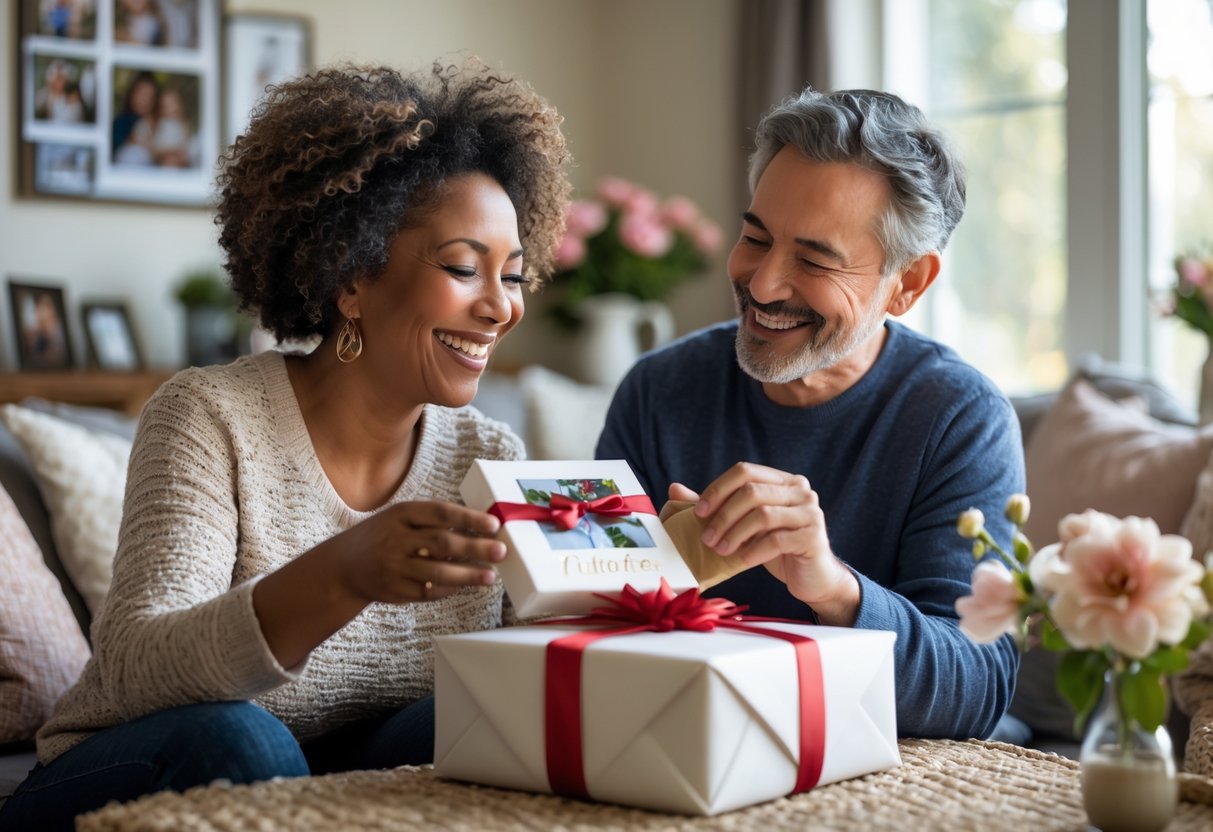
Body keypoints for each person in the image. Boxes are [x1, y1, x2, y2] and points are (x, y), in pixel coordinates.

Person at [0, 59, 570, 830]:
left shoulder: (491, 454)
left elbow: (535, 674)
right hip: (145, 767)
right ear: (351, 280)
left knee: (485, 720)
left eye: (515, 276)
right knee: (242, 740)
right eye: (464, 269)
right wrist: (344, 573)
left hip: (340, 789)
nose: (500, 307)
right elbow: (134, 667)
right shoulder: (210, 417)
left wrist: (653, 570)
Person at [596, 87, 1022, 740]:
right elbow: (583, 632)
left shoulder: (959, 418)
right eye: (754, 237)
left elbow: (974, 691)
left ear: (906, 283)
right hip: (685, 739)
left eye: (814, 260)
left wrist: (831, 588)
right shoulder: (660, 390)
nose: (762, 284)